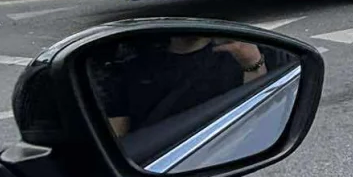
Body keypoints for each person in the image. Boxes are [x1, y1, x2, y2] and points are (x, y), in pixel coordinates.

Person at [99, 34, 268, 138]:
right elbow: (118, 138)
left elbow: (259, 115)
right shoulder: (133, 70)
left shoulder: (235, 56)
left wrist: (251, 61)